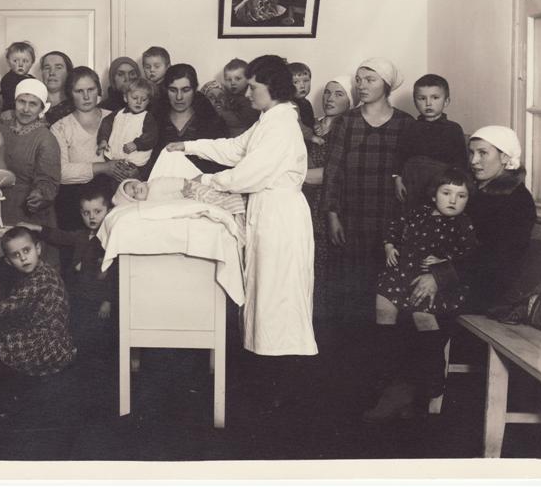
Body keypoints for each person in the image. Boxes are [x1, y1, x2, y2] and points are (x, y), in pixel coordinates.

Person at [167, 54, 316, 408]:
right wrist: (188, 146)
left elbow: (248, 174)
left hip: (281, 219)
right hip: (268, 214)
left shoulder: (282, 126)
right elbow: (235, 149)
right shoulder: (270, 119)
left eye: (253, 87)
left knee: (280, 300)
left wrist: (206, 180)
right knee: (265, 297)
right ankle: (268, 382)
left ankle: (282, 390)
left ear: (272, 88)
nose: (247, 94)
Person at [362, 167, 479, 421]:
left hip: (433, 281)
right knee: (383, 303)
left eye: (461, 196)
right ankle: (385, 375)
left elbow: (469, 254)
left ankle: (432, 380)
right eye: (446, 193)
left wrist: (445, 261)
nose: (453, 200)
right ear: (434, 195)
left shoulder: (463, 224)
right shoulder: (418, 213)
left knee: (422, 315)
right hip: (402, 274)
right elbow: (393, 227)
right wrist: (389, 246)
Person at [321, 57, 414, 325]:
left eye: (370, 80)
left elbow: (408, 177)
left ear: (386, 85)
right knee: (351, 292)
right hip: (352, 218)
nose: (361, 86)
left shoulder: (405, 123)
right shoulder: (346, 121)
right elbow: (333, 171)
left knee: (385, 292)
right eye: (359, 80)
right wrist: (332, 215)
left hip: (389, 220)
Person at [0, 226, 76, 412]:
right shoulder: (37, 272)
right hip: (48, 335)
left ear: (38, 248)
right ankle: (9, 391)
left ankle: (6, 396)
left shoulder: (41, 277)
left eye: (26, 250)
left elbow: (15, 303)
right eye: (16, 255)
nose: (23, 258)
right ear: (8, 261)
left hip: (49, 343)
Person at [429, 125, 537, 313]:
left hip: (488, 287)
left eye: (483, 153)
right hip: (459, 271)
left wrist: (439, 276)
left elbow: (496, 258)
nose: (474, 161)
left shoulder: (518, 200)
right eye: (471, 153)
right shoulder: (472, 187)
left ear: (505, 157)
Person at [20, 183, 118, 364]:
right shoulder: (82, 235)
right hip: (79, 293)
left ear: (109, 211)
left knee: (100, 331)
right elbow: (61, 236)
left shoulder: (110, 240)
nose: (91, 217)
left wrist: (108, 301)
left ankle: (98, 362)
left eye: (97, 212)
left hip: (98, 298)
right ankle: (77, 358)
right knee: (78, 327)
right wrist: (37, 228)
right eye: (86, 213)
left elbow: (113, 274)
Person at [50, 66, 138, 232]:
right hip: (74, 200)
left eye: (91, 89)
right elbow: (61, 172)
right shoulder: (60, 128)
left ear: (98, 90)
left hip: (113, 194)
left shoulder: (117, 117)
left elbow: (134, 153)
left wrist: (132, 170)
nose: (86, 96)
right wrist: (104, 167)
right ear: (70, 93)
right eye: (79, 91)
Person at [302, 75, 354, 330]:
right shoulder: (313, 126)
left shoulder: (348, 129)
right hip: (304, 200)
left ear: (350, 101)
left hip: (327, 203)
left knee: (323, 266)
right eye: (327, 92)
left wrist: (292, 175)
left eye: (339, 94)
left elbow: (334, 172)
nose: (330, 98)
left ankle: (321, 327)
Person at [0, 79, 61, 265]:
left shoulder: (46, 139)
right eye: (21, 102)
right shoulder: (0, 128)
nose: (26, 109)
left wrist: (39, 194)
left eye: (33, 104)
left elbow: (49, 180)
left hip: (28, 212)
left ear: (42, 108)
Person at [394, 74, 468, 208]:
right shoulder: (410, 127)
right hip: (414, 182)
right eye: (422, 98)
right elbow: (401, 156)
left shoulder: (453, 129)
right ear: (415, 102)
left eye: (435, 98)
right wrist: (398, 180)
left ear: (446, 101)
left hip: (442, 184)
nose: (428, 103)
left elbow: (461, 161)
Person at [148, 64, 229, 177]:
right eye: (173, 90)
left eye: (185, 90)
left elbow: (222, 165)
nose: (179, 97)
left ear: (194, 90)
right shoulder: (154, 120)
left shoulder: (213, 122)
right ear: (166, 90)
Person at [114, 175, 247, 240]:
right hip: (187, 198)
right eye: (134, 196)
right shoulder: (150, 203)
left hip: (191, 189)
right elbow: (169, 204)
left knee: (214, 197)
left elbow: (172, 182)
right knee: (213, 206)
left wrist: (183, 187)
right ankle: (239, 217)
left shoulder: (154, 183)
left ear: (138, 181)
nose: (136, 191)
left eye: (133, 187)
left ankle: (240, 206)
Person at [96, 77, 158, 168]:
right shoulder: (118, 114)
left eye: (144, 99)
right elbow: (106, 124)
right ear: (125, 98)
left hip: (135, 161)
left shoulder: (147, 117)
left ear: (148, 101)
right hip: (113, 157)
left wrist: (137, 144)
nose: (139, 102)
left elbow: (151, 135)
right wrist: (103, 139)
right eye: (135, 98)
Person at [200, 58, 259, 137]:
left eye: (238, 79)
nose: (233, 83)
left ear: (248, 79)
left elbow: (241, 122)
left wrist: (221, 112)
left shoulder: (249, 99)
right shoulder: (229, 94)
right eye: (228, 80)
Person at [0, 41, 36, 115]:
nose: (20, 64)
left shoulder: (33, 80)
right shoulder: (8, 79)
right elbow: (11, 99)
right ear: (8, 62)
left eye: (25, 61)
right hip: (11, 112)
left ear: (32, 63)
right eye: (15, 61)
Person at [41, 50, 76, 126]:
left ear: (68, 73)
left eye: (58, 68)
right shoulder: (32, 104)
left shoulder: (76, 107)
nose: (51, 73)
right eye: (47, 68)